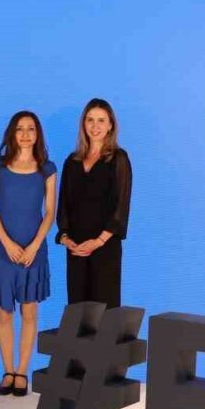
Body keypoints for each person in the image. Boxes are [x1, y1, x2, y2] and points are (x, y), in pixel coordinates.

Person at [0, 111, 56, 397]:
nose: (25, 134)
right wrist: (7, 243)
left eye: (31, 129)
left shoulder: (47, 169)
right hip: (4, 247)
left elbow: (49, 212)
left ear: (38, 134)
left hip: (33, 248)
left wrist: (35, 245)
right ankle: (7, 371)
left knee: (29, 310)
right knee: (4, 312)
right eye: (20, 129)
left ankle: (23, 371)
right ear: (12, 133)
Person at [55, 98, 132, 308]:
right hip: (76, 248)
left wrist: (97, 242)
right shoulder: (72, 161)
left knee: (105, 313)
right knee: (77, 312)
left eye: (101, 120)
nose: (95, 126)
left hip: (105, 247)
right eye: (90, 120)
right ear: (83, 124)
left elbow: (121, 207)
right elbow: (64, 205)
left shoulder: (119, 159)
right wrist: (65, 238)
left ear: (110, 125)